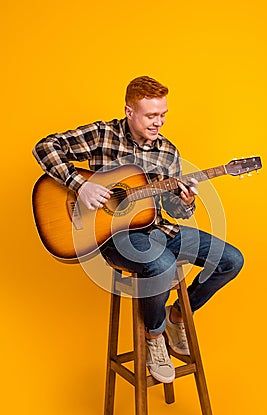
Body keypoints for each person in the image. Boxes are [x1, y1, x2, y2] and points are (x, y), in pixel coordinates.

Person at [33, 76, 244, 384]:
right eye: (151, 115)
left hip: (159, 230)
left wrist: (184, 202)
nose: (158, 122)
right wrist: (81, 186)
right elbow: (45, 147)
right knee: (161, 265)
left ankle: (177, 318)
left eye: (163, 114)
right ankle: (154, 335)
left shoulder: (168, 151)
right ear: (130, 112)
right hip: (115, 236)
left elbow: (172, 211)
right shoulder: (103, 134)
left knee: (231, 260)